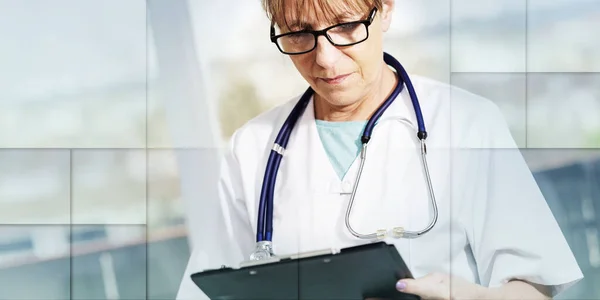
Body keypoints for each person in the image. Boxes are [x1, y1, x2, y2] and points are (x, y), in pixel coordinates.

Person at [176, 0, 584, 299]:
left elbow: (533, 286)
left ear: (384, 10)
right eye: (300, 32)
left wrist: (471, 298)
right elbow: (209, 289)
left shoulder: (467, 122)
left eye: (346, 26)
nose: (325, 58)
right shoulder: (252, 149)